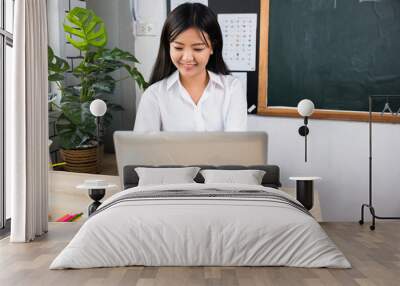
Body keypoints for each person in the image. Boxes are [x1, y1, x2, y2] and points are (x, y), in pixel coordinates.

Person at [134, 3, 247, 132]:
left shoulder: (232, 89)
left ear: (212, 47)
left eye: (197, 48)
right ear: (168, 46)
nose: (187, 57)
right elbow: (144, 149)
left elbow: (236, 146)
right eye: (178, 48)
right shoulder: (154, 95)